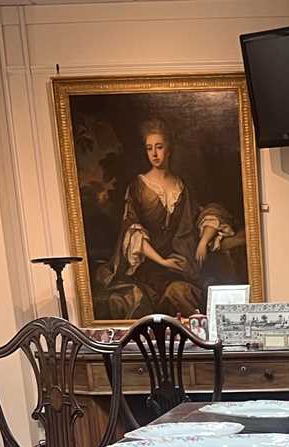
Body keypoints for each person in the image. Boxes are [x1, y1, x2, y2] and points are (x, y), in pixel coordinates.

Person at [96, 117, 239, 319]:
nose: (154, 153)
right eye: (149, 148)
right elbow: (133, 230)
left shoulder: (182, 186)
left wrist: (204, 241)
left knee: (181, 293)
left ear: (169, 149)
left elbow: (202, 216)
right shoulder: (138, 186)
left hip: (180, 267)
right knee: (138, 301)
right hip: (147, 267)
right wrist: (163, 261)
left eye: (159, 147)